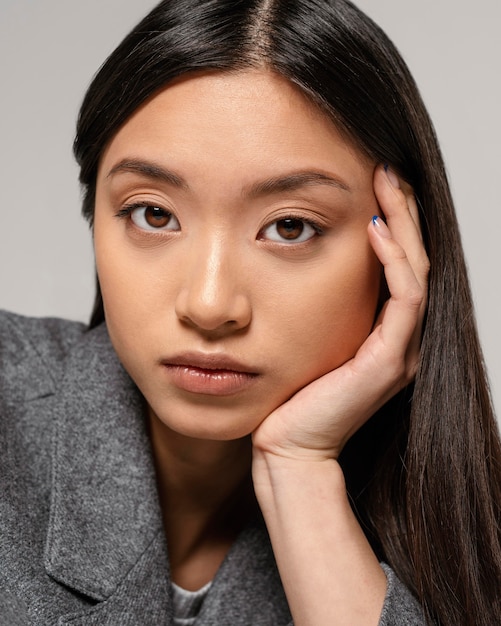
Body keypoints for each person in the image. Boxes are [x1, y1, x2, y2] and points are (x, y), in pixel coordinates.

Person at [1, 0, 500, 624]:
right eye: (154, 214)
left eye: (290, 226)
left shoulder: (461, 542)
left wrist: (301, 471)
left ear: (400, 244)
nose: (210, 305)